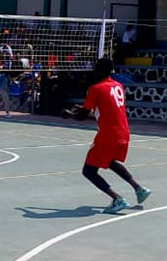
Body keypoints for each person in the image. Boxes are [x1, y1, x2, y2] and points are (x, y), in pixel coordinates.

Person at [62, 57, 151, 214]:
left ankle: (117, 198)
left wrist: (69, 114)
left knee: (89, 171)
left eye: (96, 68)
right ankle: (139, 188)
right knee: (109, 161)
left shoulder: (95, 88)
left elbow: (82, 116)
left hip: (108, 135)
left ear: (100, 70)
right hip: (123, 132)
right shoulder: (118, 86)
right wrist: (83, 109)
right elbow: (104, 111)